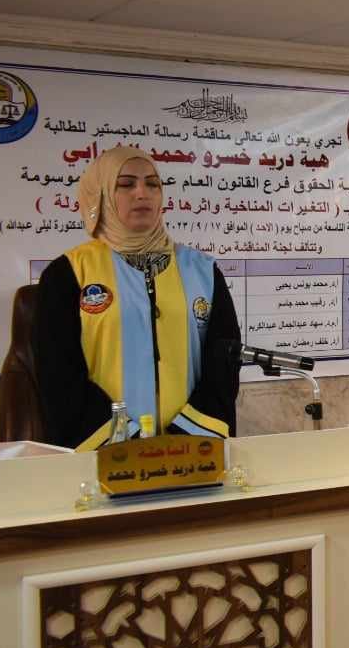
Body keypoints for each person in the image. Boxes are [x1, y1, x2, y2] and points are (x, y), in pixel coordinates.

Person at [33, 146, 242, 449]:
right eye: (126, 184)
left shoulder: (203, 271)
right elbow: (58, 374)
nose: (142, 193)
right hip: (104, 452)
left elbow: (224, 362)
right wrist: (123, 439)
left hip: (193, 450)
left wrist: (188, 434)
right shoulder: (69, 274)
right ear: (101, 195)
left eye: (152, 184)